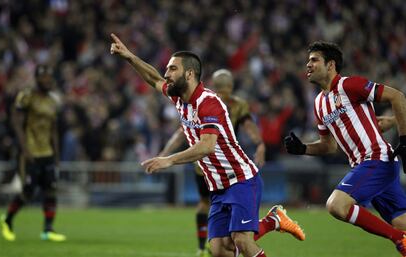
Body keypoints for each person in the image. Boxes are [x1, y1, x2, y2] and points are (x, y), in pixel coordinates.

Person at [110, 34, 304, 257]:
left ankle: (272, 221)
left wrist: (169, 159)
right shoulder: (180, 98)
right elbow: (153, 79)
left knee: (241, 240)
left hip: (240, 179)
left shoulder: (208, 102)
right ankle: (273, 221)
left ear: (189, 74)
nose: (167, 74)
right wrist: (129, 57)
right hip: (218, 186)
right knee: (219, 250)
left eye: (173, 69)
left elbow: (207, 146)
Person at [159, 69, 303, 256]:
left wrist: (260, 144)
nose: (222, 91)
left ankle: (205, 246)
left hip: (230, 169)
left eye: (225, 88)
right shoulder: (200, 102)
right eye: (219, 87)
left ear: (231, 88)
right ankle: (204, 246)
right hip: (206, 170)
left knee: (239, 239)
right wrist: (164, 153)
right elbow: (181, 133)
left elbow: (249, 126)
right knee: (220, 246)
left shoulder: (229, 105)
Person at [284, 41, 406, 256]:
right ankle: (401, 236)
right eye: (307, 61)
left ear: (330, 65)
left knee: (336, 205)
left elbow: (397, 96)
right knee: (402, 222)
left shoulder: (350, 85)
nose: (308, 65)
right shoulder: (319, 103)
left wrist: (405, 140)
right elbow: (328, 146)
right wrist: (303, 149)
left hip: (376, 159)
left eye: (314, 60)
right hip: (368, 166)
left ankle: (399, 241)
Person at [0, 64, 66, 242]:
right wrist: (24, 148)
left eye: (50, 78)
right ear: (37, 79)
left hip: (47, 152)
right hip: (31, 151)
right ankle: (7, 219)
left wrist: (56, 154)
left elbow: (53, 130)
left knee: (51, 189)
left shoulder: (53, 101)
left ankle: (48, 229)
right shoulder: (27, 96)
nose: (48, 80)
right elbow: (16, 122)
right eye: (44, 77)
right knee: (28, 191)